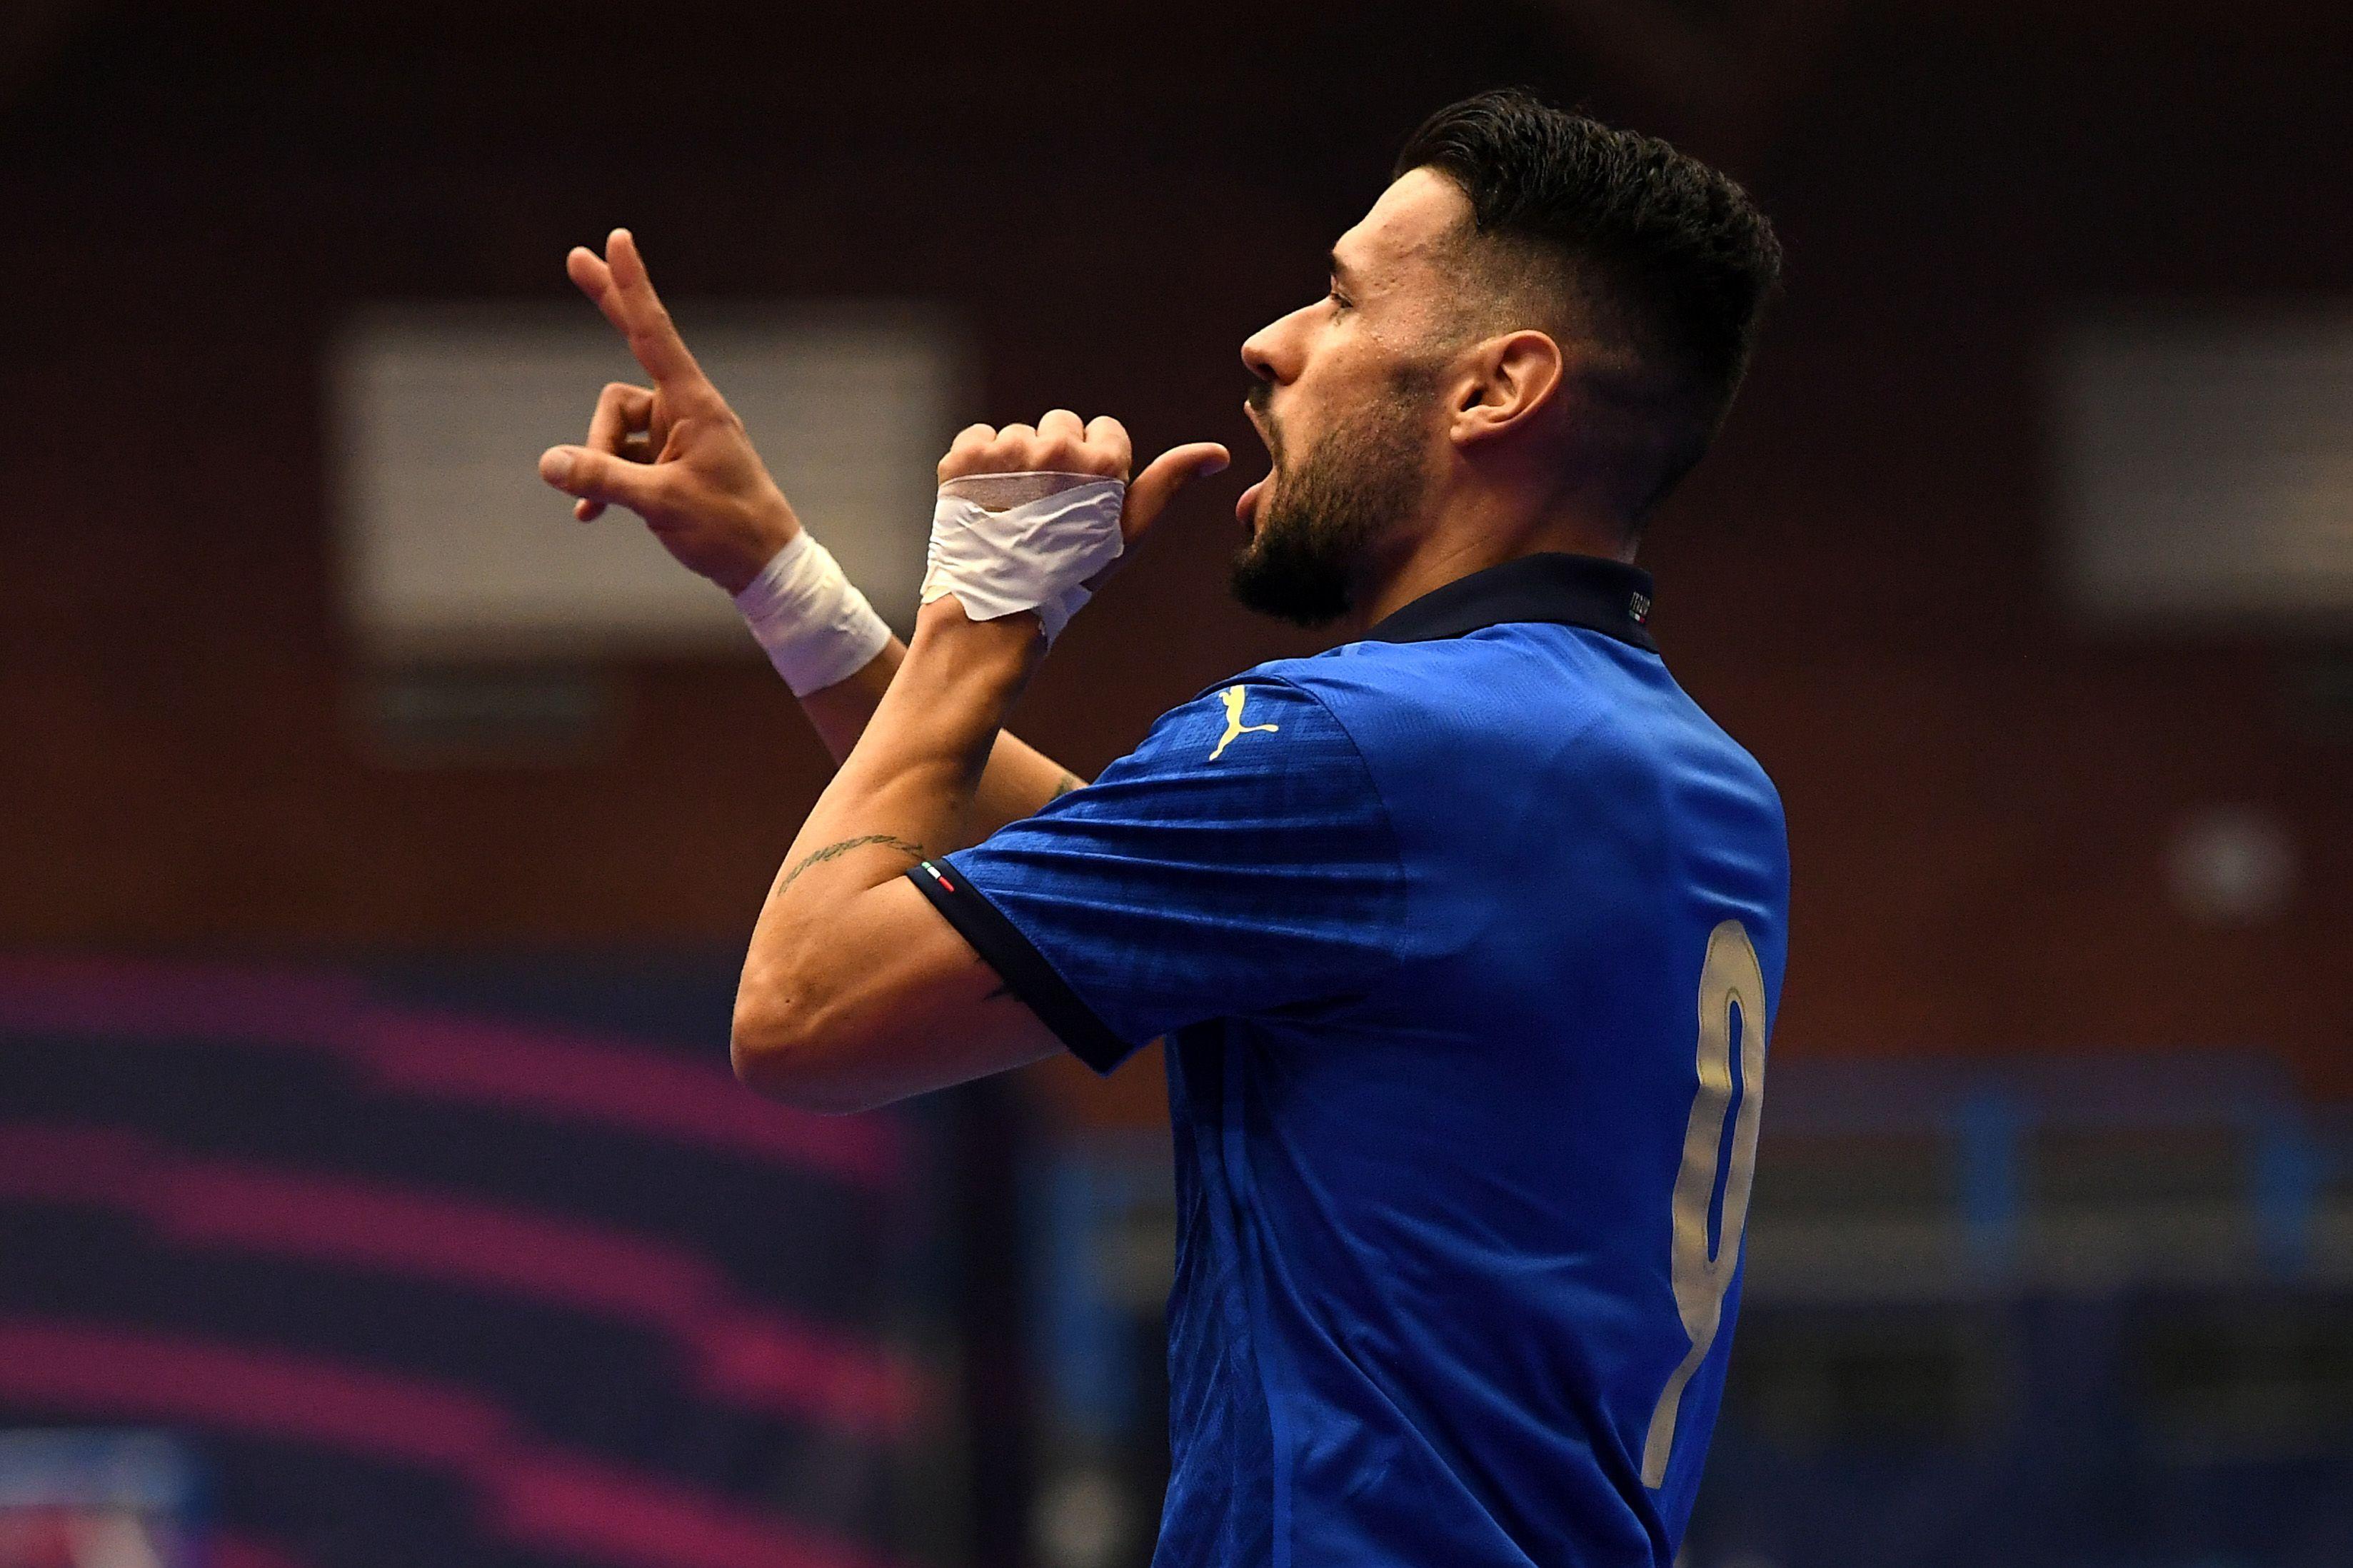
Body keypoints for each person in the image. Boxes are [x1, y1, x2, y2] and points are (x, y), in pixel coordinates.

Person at [538, 89, 1787, 1568]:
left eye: (1337, 299)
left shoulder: (1366, 744)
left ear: (1494, 389)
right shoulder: (1677, 772)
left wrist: (978, 627)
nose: (1272, 342)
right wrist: (788, 583)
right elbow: (1124, 877)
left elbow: (804, 1013)